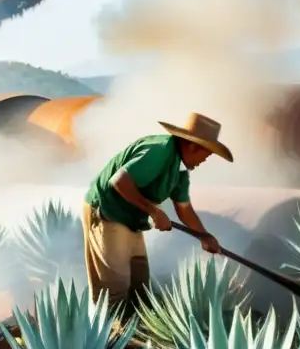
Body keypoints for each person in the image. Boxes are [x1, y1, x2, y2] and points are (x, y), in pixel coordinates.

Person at [81, 112, 232, 313]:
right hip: (107, 211)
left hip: (131, 218)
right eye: (206, 154)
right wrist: (154, 212)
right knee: (115, 288)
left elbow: (184, 209)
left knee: (139, 283)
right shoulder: (158, 150)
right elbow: (119, 181)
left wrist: (204, 236)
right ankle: (112, 338)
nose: (205, 160)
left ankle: (133, 335)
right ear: (192, 146)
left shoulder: (180, 170)